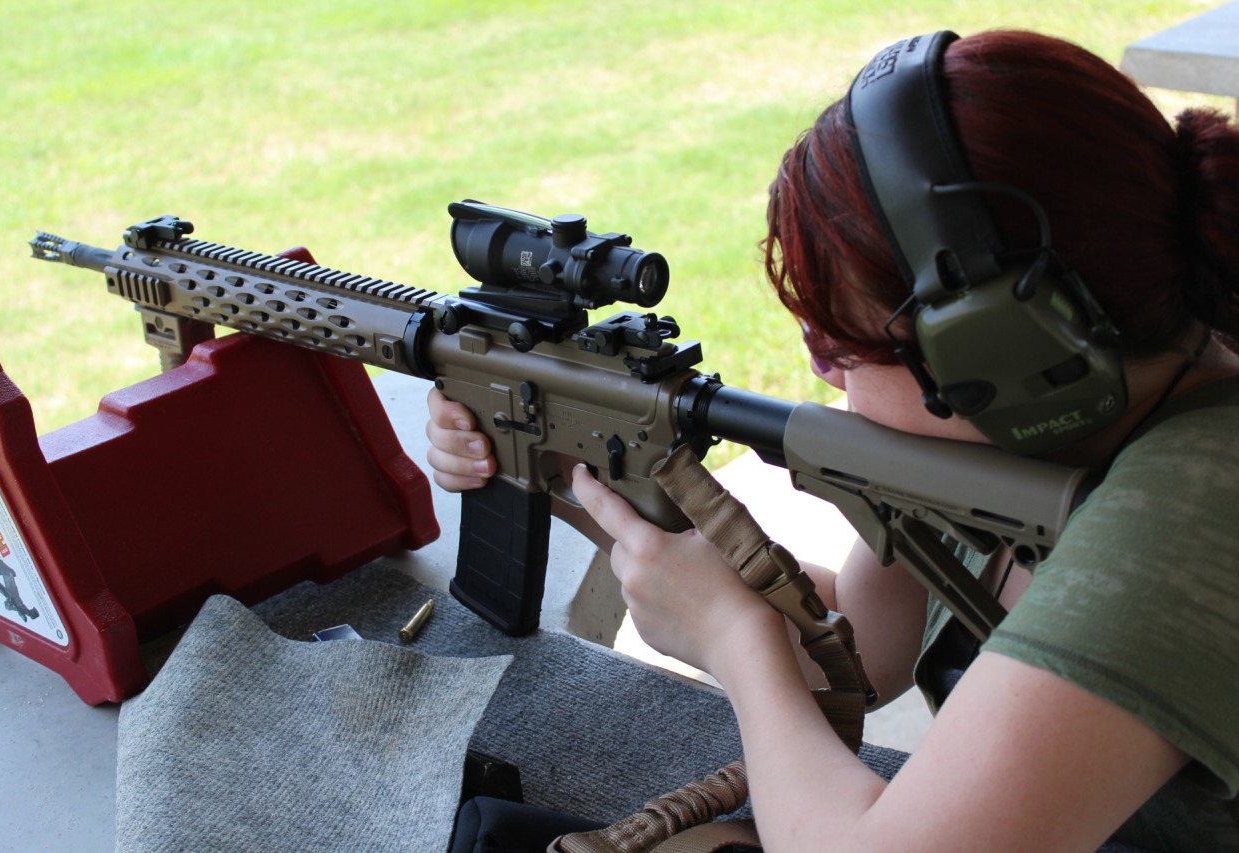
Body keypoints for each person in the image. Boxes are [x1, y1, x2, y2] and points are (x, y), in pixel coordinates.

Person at [428, 29, 1239, 852]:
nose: (824, 375)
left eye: (836, 344)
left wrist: (737, 644)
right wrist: (582, 479)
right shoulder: (1024, 438)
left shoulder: (1192, 512)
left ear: (994, 348)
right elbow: (861, 642)